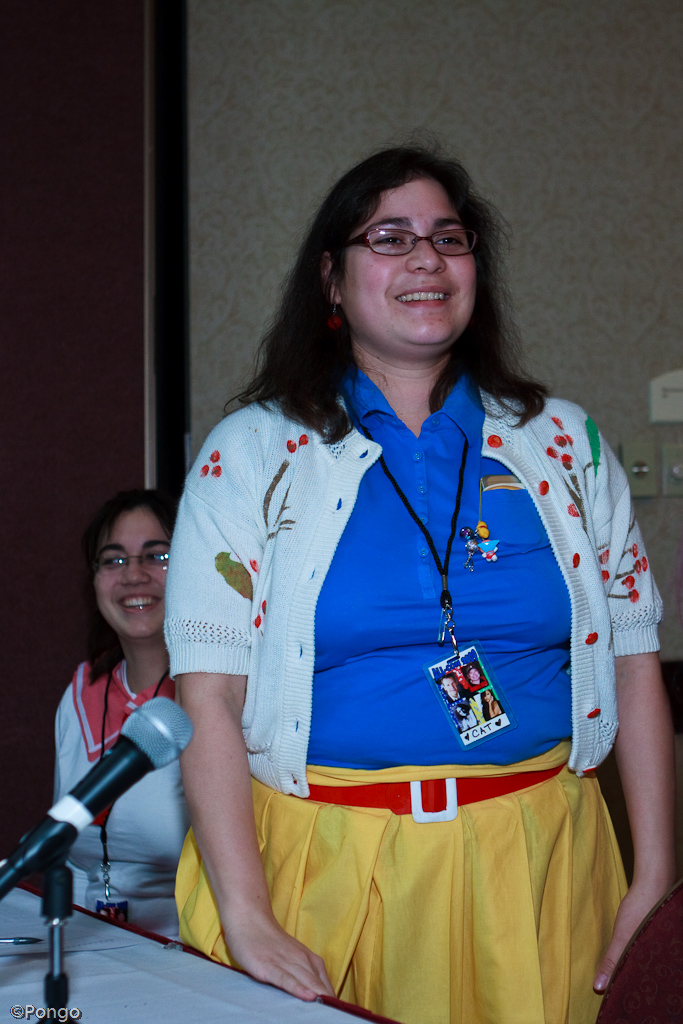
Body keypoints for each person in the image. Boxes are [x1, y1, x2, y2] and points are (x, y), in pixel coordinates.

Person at [164, 144, 675, 1024]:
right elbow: (206, 695)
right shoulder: (248, 452)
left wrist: (656, 878)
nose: (426, 259)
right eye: (389, 238)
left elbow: (632, 662)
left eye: (448, 237)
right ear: (331, 278)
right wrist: (245, 915)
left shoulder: (564, 441)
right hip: (321, 864)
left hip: (541, 859)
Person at [54, 489, 190, 938]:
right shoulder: (80, 693)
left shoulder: (219, 701)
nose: (133, 575)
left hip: (192, 948)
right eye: (113, 560)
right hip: (91, 942)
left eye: (158, 555)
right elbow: (72, 862)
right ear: (94, 581)